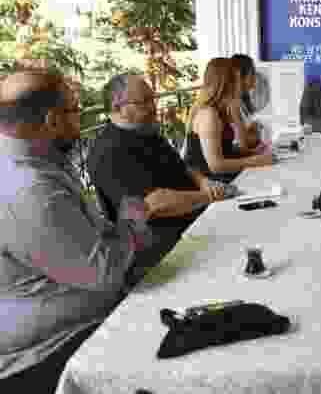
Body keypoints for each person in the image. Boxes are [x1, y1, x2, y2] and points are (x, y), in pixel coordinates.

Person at [0, 70, 142, 392]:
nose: (81, 118)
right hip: (49, 354)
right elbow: (104, 273)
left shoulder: (37, 162)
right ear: (51, 120)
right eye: (75, 110)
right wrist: (132, 223)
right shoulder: (28, 188)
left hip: (72, 326)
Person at [88, 73, 227, 273]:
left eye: (153, 98)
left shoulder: (144, 130)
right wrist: (209, 196)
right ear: (118, 108)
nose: (153, 107)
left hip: (194, 222)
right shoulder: (109, 151)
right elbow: (154, 204)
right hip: (164, 247)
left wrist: (203, 181)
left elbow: (182, 167)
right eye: (144, 101)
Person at [184, 57, 273, 183]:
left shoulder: (220, 109)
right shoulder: (208, 114)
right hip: (210, 183)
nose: (239, 85)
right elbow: (216, 166)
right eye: (236, 80)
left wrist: (252, 153)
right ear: (226, 83)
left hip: (220, 177)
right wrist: (255, 160)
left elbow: (225, 150)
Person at [232, 54, 266, 149]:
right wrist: (254, 133)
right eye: (252, 73)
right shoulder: (231, 105)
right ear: (239, 75)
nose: (255, 78)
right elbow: (241, 144)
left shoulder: (243, 101)